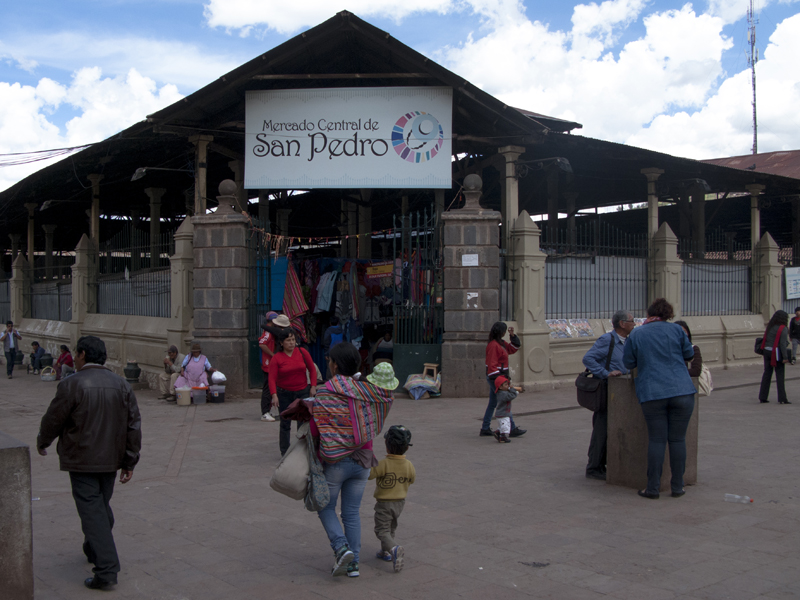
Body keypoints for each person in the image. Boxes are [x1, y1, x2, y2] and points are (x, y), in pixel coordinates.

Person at [36, 335, 142, 590]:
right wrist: (129, 461)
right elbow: (133, 427)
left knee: (94, 511)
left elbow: (54, 418)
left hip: (82, 459)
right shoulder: (121, 385)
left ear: (83, 354)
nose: (74, 356)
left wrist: (43, 441)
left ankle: (106, 569)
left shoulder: (72, 384)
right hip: (109, 460)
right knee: (100, 508)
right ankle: (93, 547)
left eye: (76, 352)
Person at [306, 343, 394, 578]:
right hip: (363, 460)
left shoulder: (325, 392)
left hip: (336, 461)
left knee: (324, 506)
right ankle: (353, 563)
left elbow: (316, 430)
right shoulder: (367, 390)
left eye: (329, 362)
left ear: (335, 365)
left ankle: (341, 548)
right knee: (351, 512)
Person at [623, 298, 696, 500]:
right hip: (682, 390)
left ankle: (653, 488)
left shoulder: (637, 333)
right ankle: (678, 487)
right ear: (668, 314)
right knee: (678, 440)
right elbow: (689, 354)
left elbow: (628, 361)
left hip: (652, 392)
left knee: (657, 440)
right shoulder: (677, 331)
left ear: (649, 314)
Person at [581, 310, 634, 480]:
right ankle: (594, 467)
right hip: (606, 391)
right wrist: (605, 373)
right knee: (601, 429)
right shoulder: (607, 340)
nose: (634, 324)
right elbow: (588, 359)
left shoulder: (628, 341)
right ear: (622, 324)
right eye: (631, 321)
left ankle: (604, 463)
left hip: (621, 392)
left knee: (611, 429)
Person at [370, 424, 414, 574]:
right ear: (407, 448)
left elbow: (369, 475)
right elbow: (412, 479)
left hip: (384, 503)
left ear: (386, 445)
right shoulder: (409, 465)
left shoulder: (383, 464)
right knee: (391, 527)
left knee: (381, 530)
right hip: (400, 503)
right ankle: (386, 552)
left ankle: (393, 549)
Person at [269, 328, 317, 455]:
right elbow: (272, 378)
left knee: (303, 423)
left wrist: (313, 386)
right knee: (285, 424)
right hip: (284, 393)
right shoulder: (277, 358)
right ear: (281, 343)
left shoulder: (302, 352)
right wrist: (274, 395)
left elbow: (312, 370)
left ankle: (303, 450)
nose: (291, 343)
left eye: (293, 340)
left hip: (302, 392)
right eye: (288, 340)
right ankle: (284, 451)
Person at [480, 322, 526, 438]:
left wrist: (513, 336)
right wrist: (502, 382)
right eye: (505, 331)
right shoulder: (494, 345)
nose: (506, 333)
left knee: (493, 403)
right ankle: (510, 428)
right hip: (497, 378)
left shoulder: (500, 343)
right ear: (501, 332)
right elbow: (492, 366)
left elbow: (513, 348)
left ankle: (485, 428)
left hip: (497, 378)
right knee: (505, 401)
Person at [758, 310, 791, 404]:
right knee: (780, 375)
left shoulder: (770, 326)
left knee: (767, 374)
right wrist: (785, 357)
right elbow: (782, 344)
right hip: (775, 353)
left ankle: (762, 397)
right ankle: (782, 398)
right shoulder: (783, 328)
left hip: (766, 351)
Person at [259, 311, 279, 421]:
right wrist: (272, 355)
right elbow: (262, 343)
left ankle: (269, 410)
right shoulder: (268, 332)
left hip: (271, 364)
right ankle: (265, 412)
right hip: (268, 364)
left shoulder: (272, 331)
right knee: (267, 388)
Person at [492, 376, 522, 443]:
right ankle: (502, 437)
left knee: (501, 426)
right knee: (505, 426)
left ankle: (497, 432)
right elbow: (511, 396)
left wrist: (514, 392)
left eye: (507, 384)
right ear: (500, 387)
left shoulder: (503, 393)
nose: (507, 386)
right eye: (505, 385)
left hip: (501, 414)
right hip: (503, 414)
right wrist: (513, 390)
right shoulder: (503, 394)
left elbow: (511, 394)